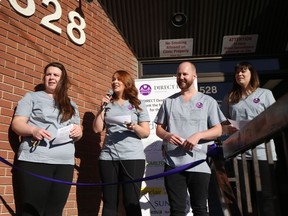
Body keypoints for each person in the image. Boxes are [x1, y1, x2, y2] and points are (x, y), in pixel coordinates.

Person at [11, 62, 83, 216]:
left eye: (55, 75)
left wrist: (79, 131)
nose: (51, 78)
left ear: (62, 79)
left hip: (64, 164)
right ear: (44, 77)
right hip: (36, 160)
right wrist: (32, 129)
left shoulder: (71, 104)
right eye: (48, 74)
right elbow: (17, 124)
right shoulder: (32, 97)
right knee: (32, 210)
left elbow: (78, 132)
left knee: (55, 211)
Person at [154, 61, 225, 216]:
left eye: (185, 74)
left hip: (199, 163)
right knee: (177, 210)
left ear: (194, 75)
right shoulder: (168, 102)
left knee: (200, 209)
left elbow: (218, 130)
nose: (181, 77)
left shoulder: (208, 101)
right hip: (173, 165)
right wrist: (167, 135)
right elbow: (159, 129)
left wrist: (198, 135)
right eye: (178, 74)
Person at [220, 61, 280, 216]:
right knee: (245, 198)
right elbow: (223, 125)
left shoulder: (265, 94)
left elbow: (276, 120)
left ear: (252, 73)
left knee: (266, 195)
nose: (239, 74)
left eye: (243, 71)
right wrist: (229, 128)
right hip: (239, 156)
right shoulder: (230, 97)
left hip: (263, 153)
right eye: (237, 72)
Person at [92, 70, 150, 216]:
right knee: (109, 203)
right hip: (108, 157)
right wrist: (101, 108)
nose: (115, 82)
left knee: (131, 202)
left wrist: (134, 126)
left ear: (127, 83)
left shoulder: (137, 104)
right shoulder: (108, 104)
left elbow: (145, 132)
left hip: (133, 157)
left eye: (119, 79)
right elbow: (97, 129)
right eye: (113, 79)